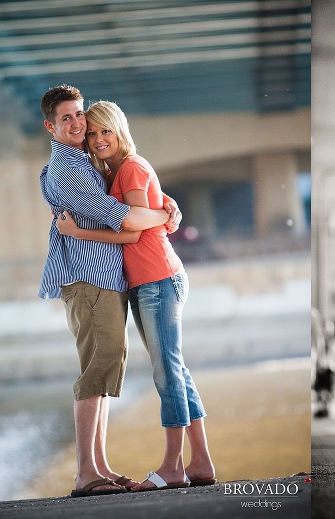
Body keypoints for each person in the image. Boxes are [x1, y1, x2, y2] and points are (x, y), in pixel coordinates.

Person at [56, 100, 216, 491]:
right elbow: (145, 216)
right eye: (91, 133)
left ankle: (173, 467)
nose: (96, 139)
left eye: (104, 131)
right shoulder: (116, 171)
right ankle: (201, 463)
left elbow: (131, 231)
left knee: (167, 373)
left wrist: (78, 233)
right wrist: (166, 210)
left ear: (119, 130)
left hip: (158, 280)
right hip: (149, 282)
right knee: (176, 370)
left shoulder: (130, 167)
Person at [39, 85, 181, 497]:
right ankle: (86, 474)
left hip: (103, 279)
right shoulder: (70, 171)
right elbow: (122, 219)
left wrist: (159, 205)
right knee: (96, 369)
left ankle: (98, 466)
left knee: (106, 366)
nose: (77, 123)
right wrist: (164, 213)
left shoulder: (83, 162)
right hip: (90, 281)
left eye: (79, 114)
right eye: (66, 118)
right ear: (50, 126)